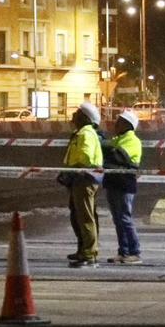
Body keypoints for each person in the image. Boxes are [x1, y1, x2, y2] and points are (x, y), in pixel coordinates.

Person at [60, 101, 104, 266]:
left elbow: (85, 158)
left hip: (84, 178)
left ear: (85, 117)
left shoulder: (86, 134)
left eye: (77, 114)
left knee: (85, 217)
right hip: (80, 178)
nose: (73, 116)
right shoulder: (82, 132)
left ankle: (89, 252)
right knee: (78, 216)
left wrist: (72, 169)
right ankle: (83, 250)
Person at [103, 110, 143, 264]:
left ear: (127, 124)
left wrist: (108, 150)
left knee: (125, 219)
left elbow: (116, 155)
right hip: (114, 183)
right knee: (118, 220)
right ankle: (123, 251)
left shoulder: (132, 140)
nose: (115, 124)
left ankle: (135, 252)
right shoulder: (119, 139)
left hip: (124, 184)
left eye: (119, 121)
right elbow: (106, 149)